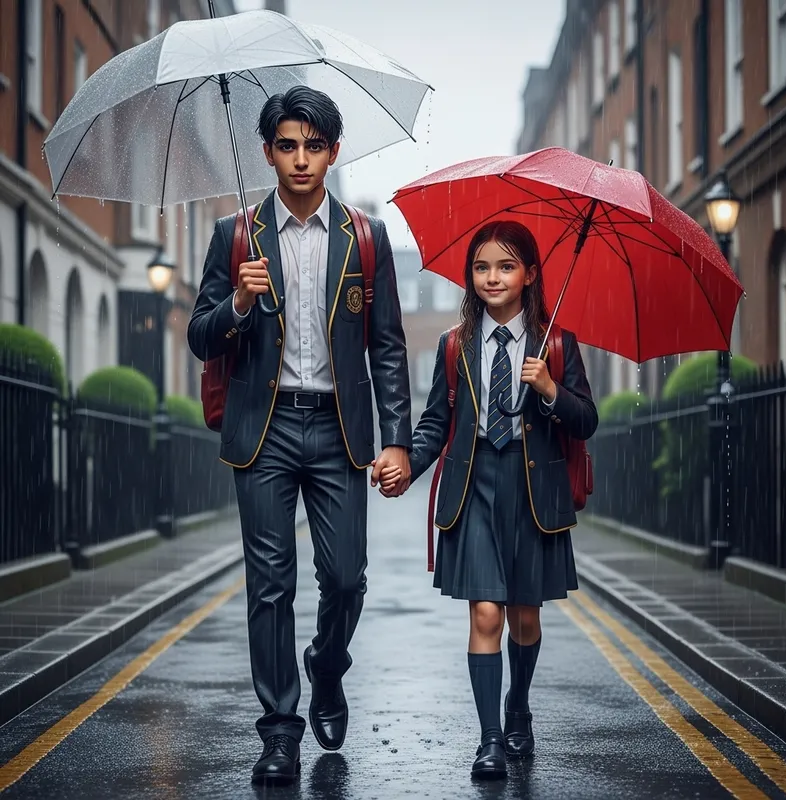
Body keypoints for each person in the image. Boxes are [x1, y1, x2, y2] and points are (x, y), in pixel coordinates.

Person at [188, 86, 412, 786]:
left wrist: (399, 438)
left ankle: (326, 663)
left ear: (333, 152)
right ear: (268, 153)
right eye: (287, 145)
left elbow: (390, 348)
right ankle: (280, 731)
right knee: (270, 585)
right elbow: (200, 336)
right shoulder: (234, 237)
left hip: (341, 430)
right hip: (265, 427)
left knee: (346, 579)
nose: (301, 159)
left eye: (314, 146)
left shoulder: (366, 239)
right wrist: (238, 302)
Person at [376, 220, 597, 780]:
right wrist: (406, 462)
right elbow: (435, 424)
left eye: (505, 266)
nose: (492, 277)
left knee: (525, 615)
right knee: (486, 612)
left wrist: (549, 389)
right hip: (474, 485)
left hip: (532, 491)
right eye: (481, 267)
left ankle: (518, 706)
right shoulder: (455, 346)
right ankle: (491, 740)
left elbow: (586, 420)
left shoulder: (559, 344)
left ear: (528, 274)